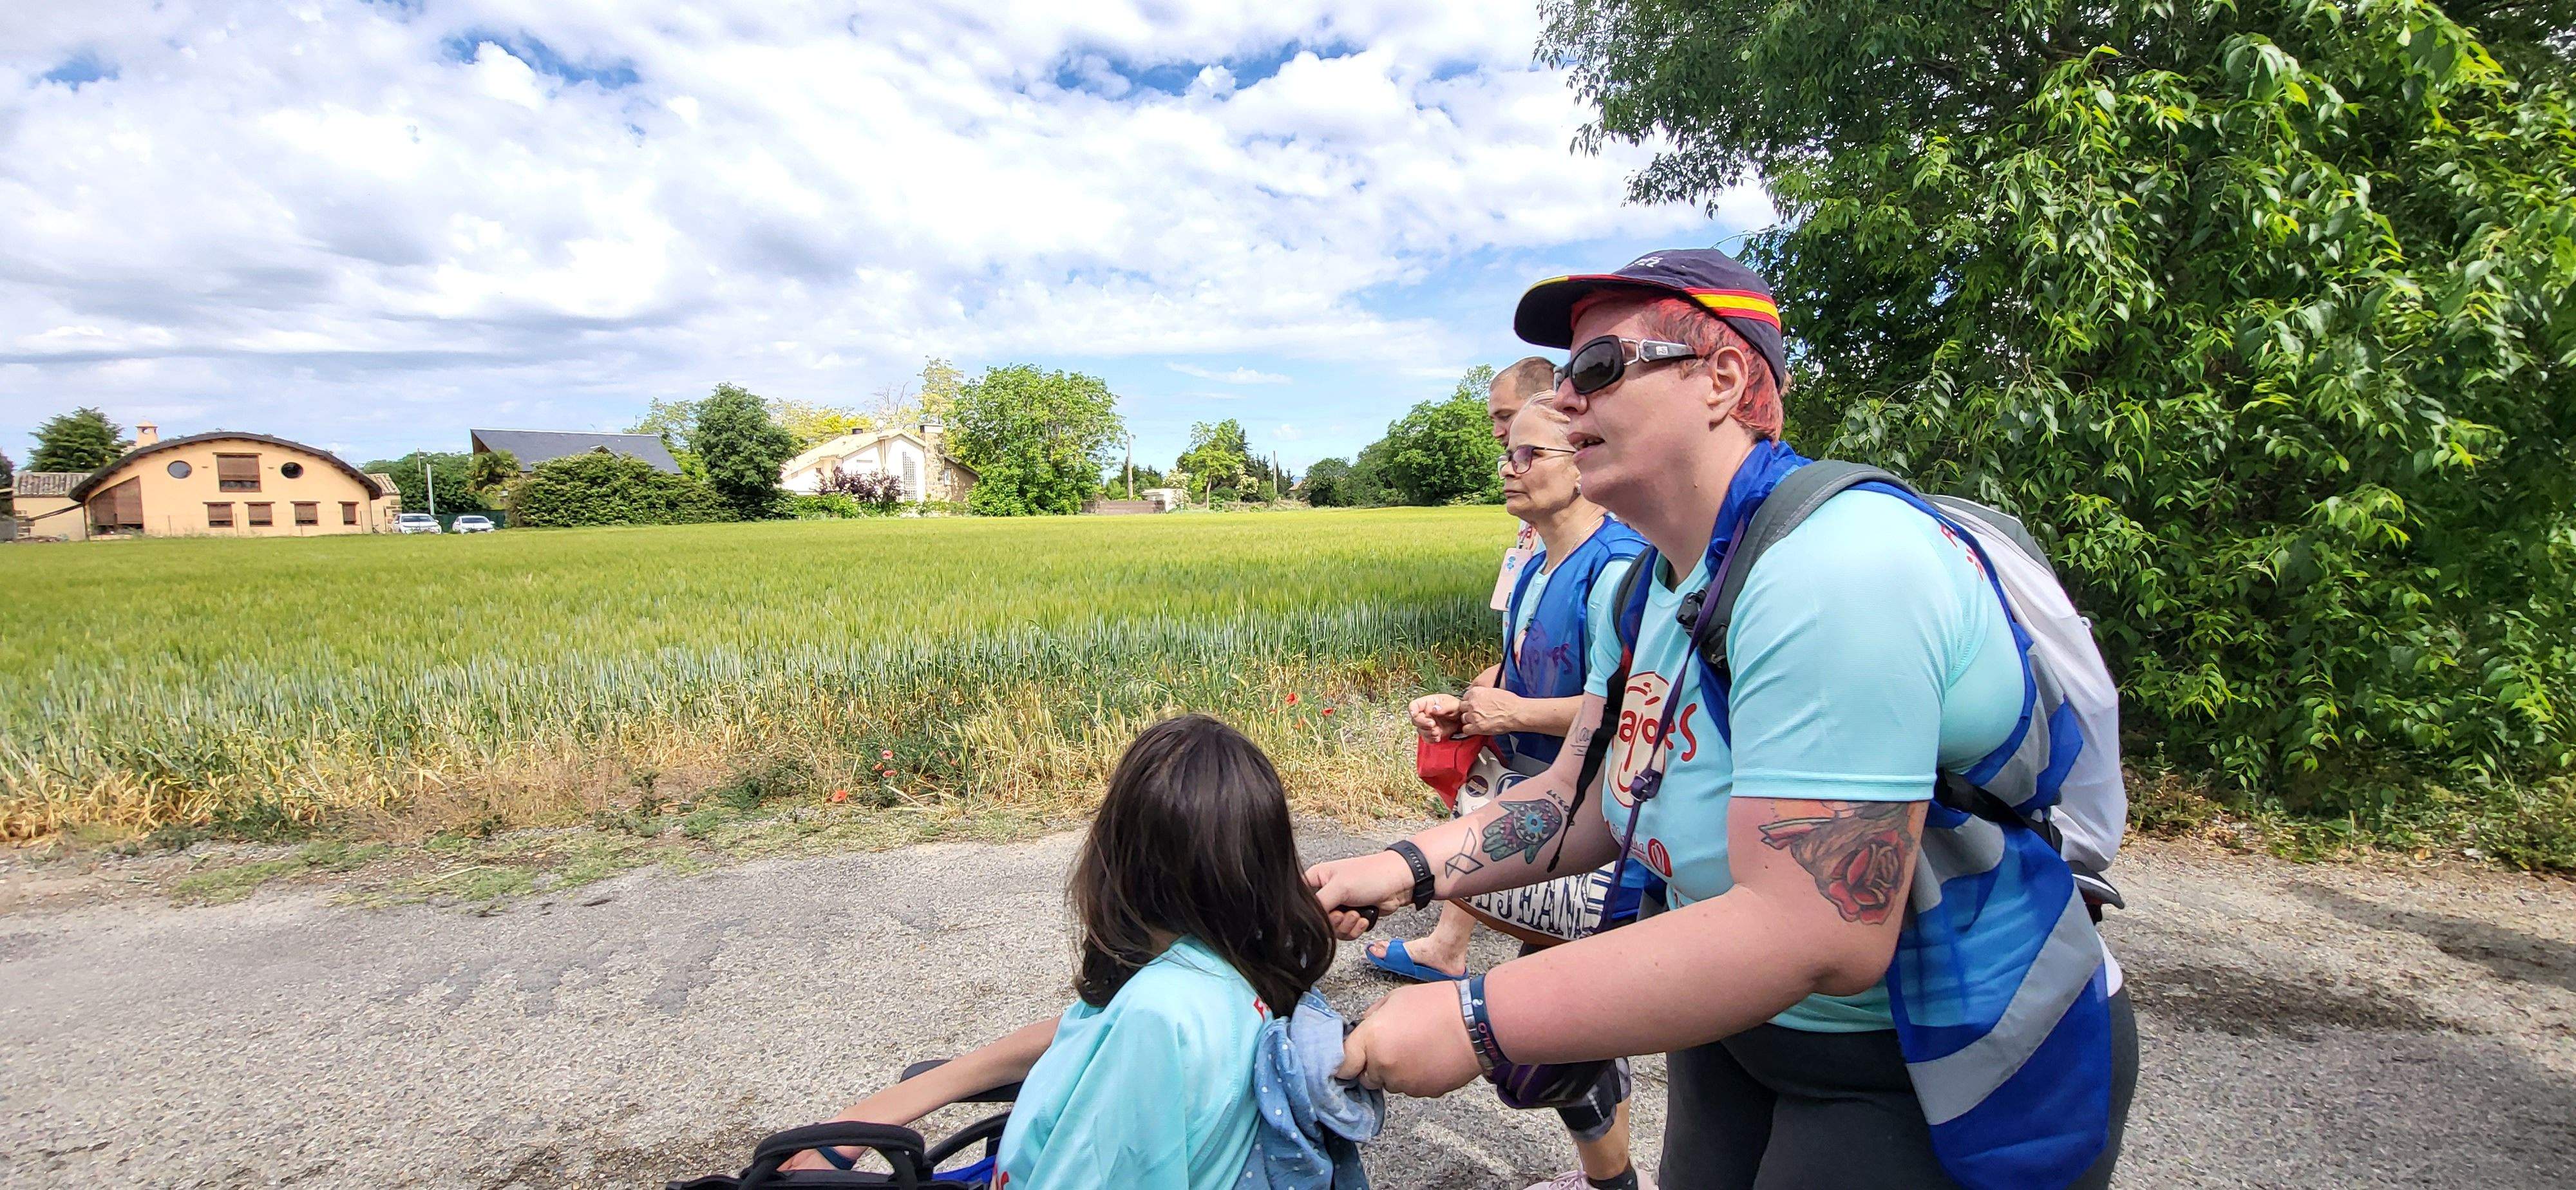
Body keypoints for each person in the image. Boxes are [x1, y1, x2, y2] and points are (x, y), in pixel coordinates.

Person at [1309, 250, 2137, 1189]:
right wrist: (1403, 866)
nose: (1567, 401)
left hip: (1917, 1063)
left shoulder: (1839, 570)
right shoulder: (1650, 584)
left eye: (1598, 369)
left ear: (1724, 378)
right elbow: (1583, 799)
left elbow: (1818, 930)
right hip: (1739, 1032)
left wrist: (1480, 1018)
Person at [784, 714, 1361, 1188]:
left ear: (1119, 855)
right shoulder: (1222, 969)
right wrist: (876, 1112)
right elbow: (1087, 1027)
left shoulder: (1157, 1014)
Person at [1368, 398, 1655, 1190]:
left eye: (1530, 454)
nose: (1508, 466)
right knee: (1565, 1037)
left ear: (1582, 460)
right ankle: (1611, 1180)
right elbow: (1522, 675)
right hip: (1538, 815)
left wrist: (1517, 713)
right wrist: (1470, 711)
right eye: (1510, 452)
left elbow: (1632, 703)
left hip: (1597, 826)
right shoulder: (1535, 564)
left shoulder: (1622, 570)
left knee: (1557, 1036)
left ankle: (1614, 1181)